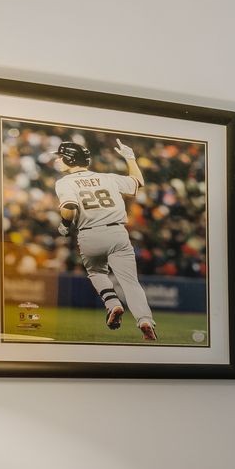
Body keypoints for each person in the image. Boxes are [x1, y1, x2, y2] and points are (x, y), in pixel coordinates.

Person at [52, 138, 157, 341]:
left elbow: (70, 207)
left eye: (59, 157)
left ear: (68, 159)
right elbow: (138, 182)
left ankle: (112, 304)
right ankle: (145, 320)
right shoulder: (107, 177)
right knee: (131, 283)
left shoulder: (64, 182)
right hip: (118, 232)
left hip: (90, 233)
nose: (57, 160)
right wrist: (130, 158)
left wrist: (64, 226)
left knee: (96, 272)